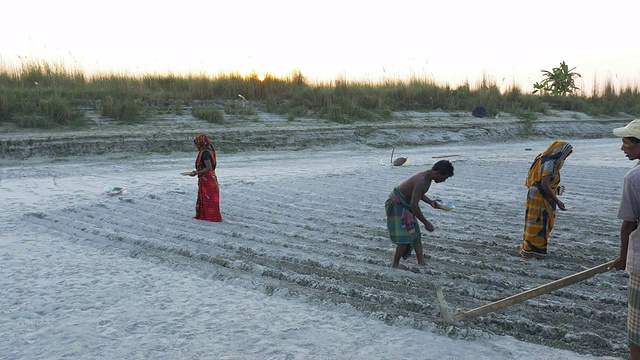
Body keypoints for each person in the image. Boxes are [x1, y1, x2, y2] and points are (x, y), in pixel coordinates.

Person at [385, 160, 454, 268]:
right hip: (396, 204)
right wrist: (426, 223)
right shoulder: (421, 180)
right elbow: (414, 205)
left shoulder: (427, 178)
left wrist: (430, 202)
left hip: (405, 204)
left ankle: (421, 262)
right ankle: (395, 264)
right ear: (438, 173)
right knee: (404, 238)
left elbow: (417, 193)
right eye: (444, 178)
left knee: (415, 234)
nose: (443, 181)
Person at [611, 119, 640, 360]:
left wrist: (623, 257)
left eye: (627, 142)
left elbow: (630, 224)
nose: (623, 148)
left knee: (637, 330)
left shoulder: (634, 178)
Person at [520, 140, 573, 258]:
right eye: (565, 155)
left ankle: (529, 250)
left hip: (536, 194)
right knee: (539, 223)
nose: (565, 158)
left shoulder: (542, 158)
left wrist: (556, 188)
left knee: (534, 223)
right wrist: (557, 201)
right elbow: (544, 184)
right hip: (540, 197)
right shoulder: (550, 163)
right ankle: (534, 251)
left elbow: (542, 181)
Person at [190, 134, 222, 222]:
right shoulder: (209, 151)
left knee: (208, 197)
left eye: (196, 144)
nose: (196, 146)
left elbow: (208, 168)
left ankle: (209, 217)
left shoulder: (205, 153)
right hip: (211, 177)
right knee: (210, 197)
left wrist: (196, 172)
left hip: (207, 178)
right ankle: (210, 216)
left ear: (200, 144)